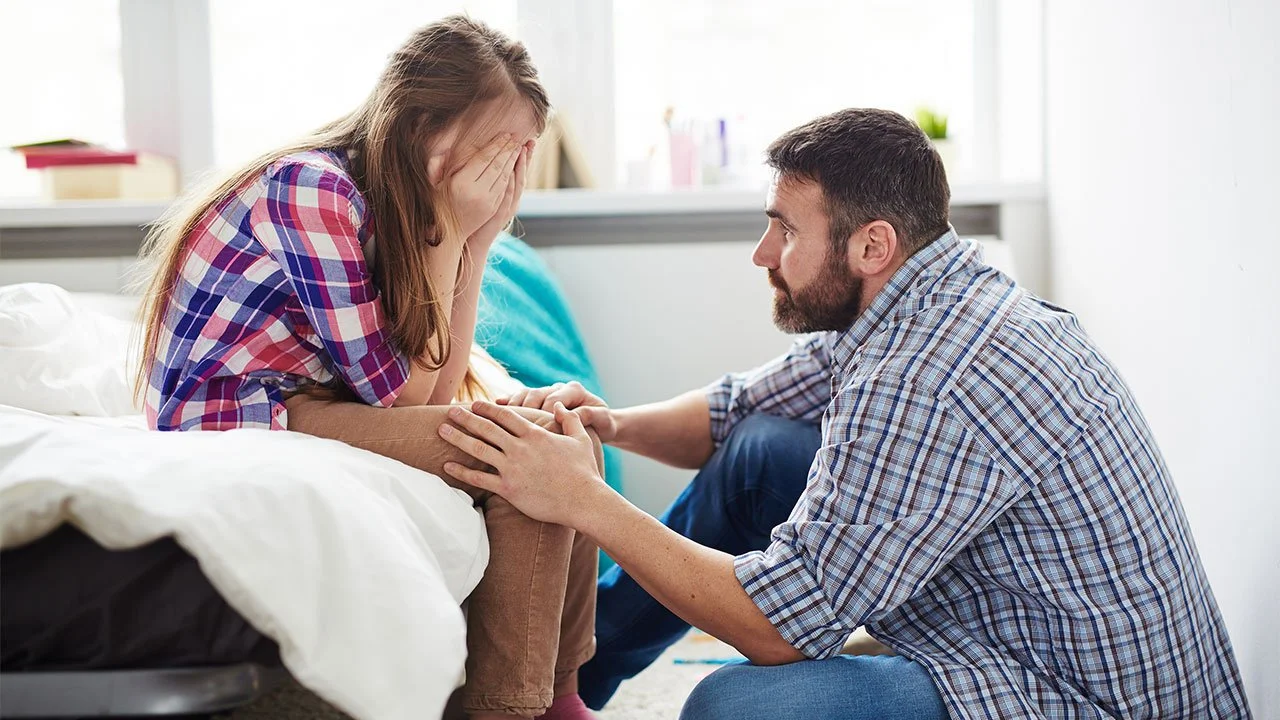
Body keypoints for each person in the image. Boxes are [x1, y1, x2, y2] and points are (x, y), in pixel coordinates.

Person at [435, 108, 1253, 719]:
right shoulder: (927, 299)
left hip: (1074, 696)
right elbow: (737, 411)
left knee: (729, 708)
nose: (762, 254)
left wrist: (582, 497)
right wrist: (610, 425)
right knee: (759, 451)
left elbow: (779, 628)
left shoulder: (925, 377)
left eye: (784, 231)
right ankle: (565, 689)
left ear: (870, 246)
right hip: (1026, 622)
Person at [136, 16, 597, 720]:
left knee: (566, 435)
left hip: (310, 400)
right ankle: (509, 709)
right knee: (526, 458)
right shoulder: (312, 190)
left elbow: (432, 390)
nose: (505, 172)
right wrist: (452, 226)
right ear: (421, 127)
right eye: (492, 149)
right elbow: (400, 397)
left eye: (520, 154)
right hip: (242, 413)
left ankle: (562, 697)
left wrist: (478, 239)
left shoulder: (391, 205)